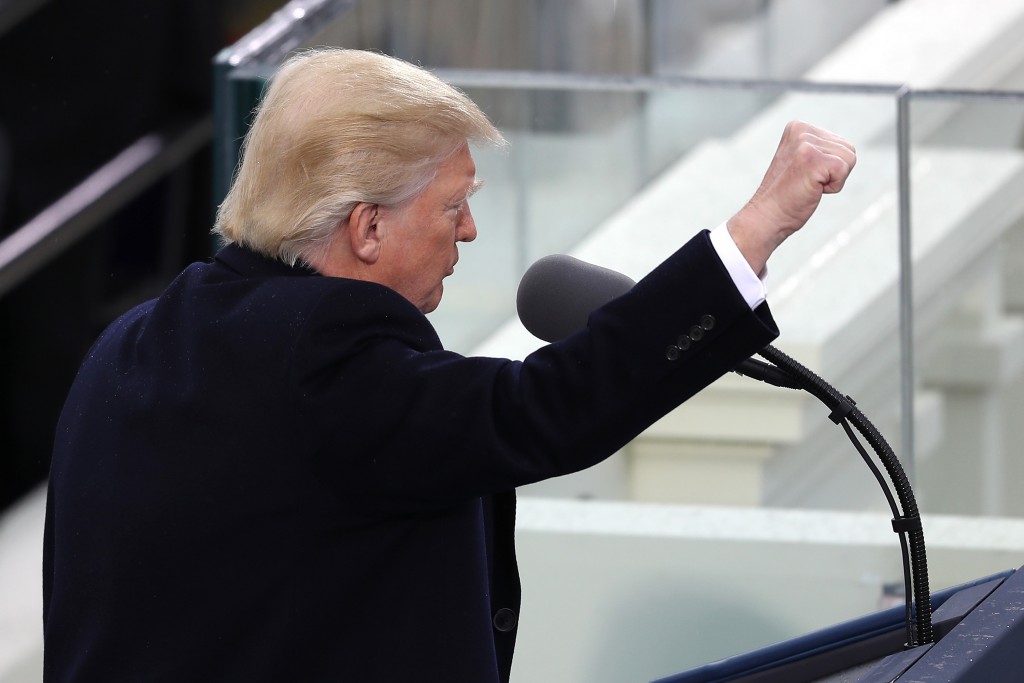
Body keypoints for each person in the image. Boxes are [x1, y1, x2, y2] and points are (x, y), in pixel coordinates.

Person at [42, 48, 855, 682]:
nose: (467, 233)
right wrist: (755, 230)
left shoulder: (134, 343)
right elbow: (544, 409)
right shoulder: (322, 365)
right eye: (453, 205)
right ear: (366, 229)